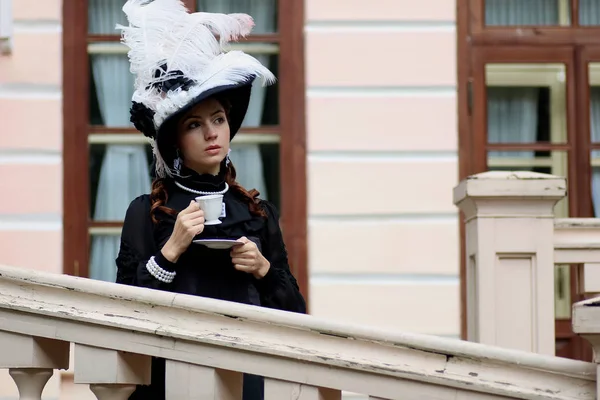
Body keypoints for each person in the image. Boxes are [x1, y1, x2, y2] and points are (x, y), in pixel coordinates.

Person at [113, 1, 306, 399]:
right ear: (176, 141)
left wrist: (263, 268)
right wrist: (171, 250)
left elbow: (294, 313)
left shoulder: (256, 211)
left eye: (218, 119)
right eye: (194, 124)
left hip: (245, 379)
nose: (212, 133)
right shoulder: (147, 212)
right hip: (170, 382)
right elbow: (123, 312)